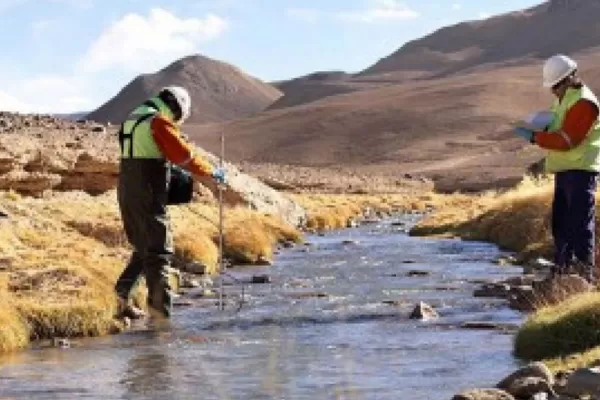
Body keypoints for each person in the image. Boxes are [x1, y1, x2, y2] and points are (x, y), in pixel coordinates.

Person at [115, 86, 226, 318]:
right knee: (159, 254)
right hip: (148, 195)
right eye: (178, 116)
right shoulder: (157, 121)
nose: (176, 120)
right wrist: (211, 172)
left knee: (143, 249)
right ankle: (161, 321)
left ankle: (119, 299)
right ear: (175, 106)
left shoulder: (133, 117)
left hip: (127, 192)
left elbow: (142, 154)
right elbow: (183, 156)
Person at [514, 54, 600, 284]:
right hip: (565, 170)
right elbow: (558, 128)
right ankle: (562, 271)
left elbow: (568, 140)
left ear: (569, 78)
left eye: (556, 85)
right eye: (552, 86)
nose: (553, 90)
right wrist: (542, 127)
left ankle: (583, 276)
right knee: (561, 223)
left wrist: (535, 137)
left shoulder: (584, 102)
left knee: (580, 224)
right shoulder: (564, 99)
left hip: (581, 171)